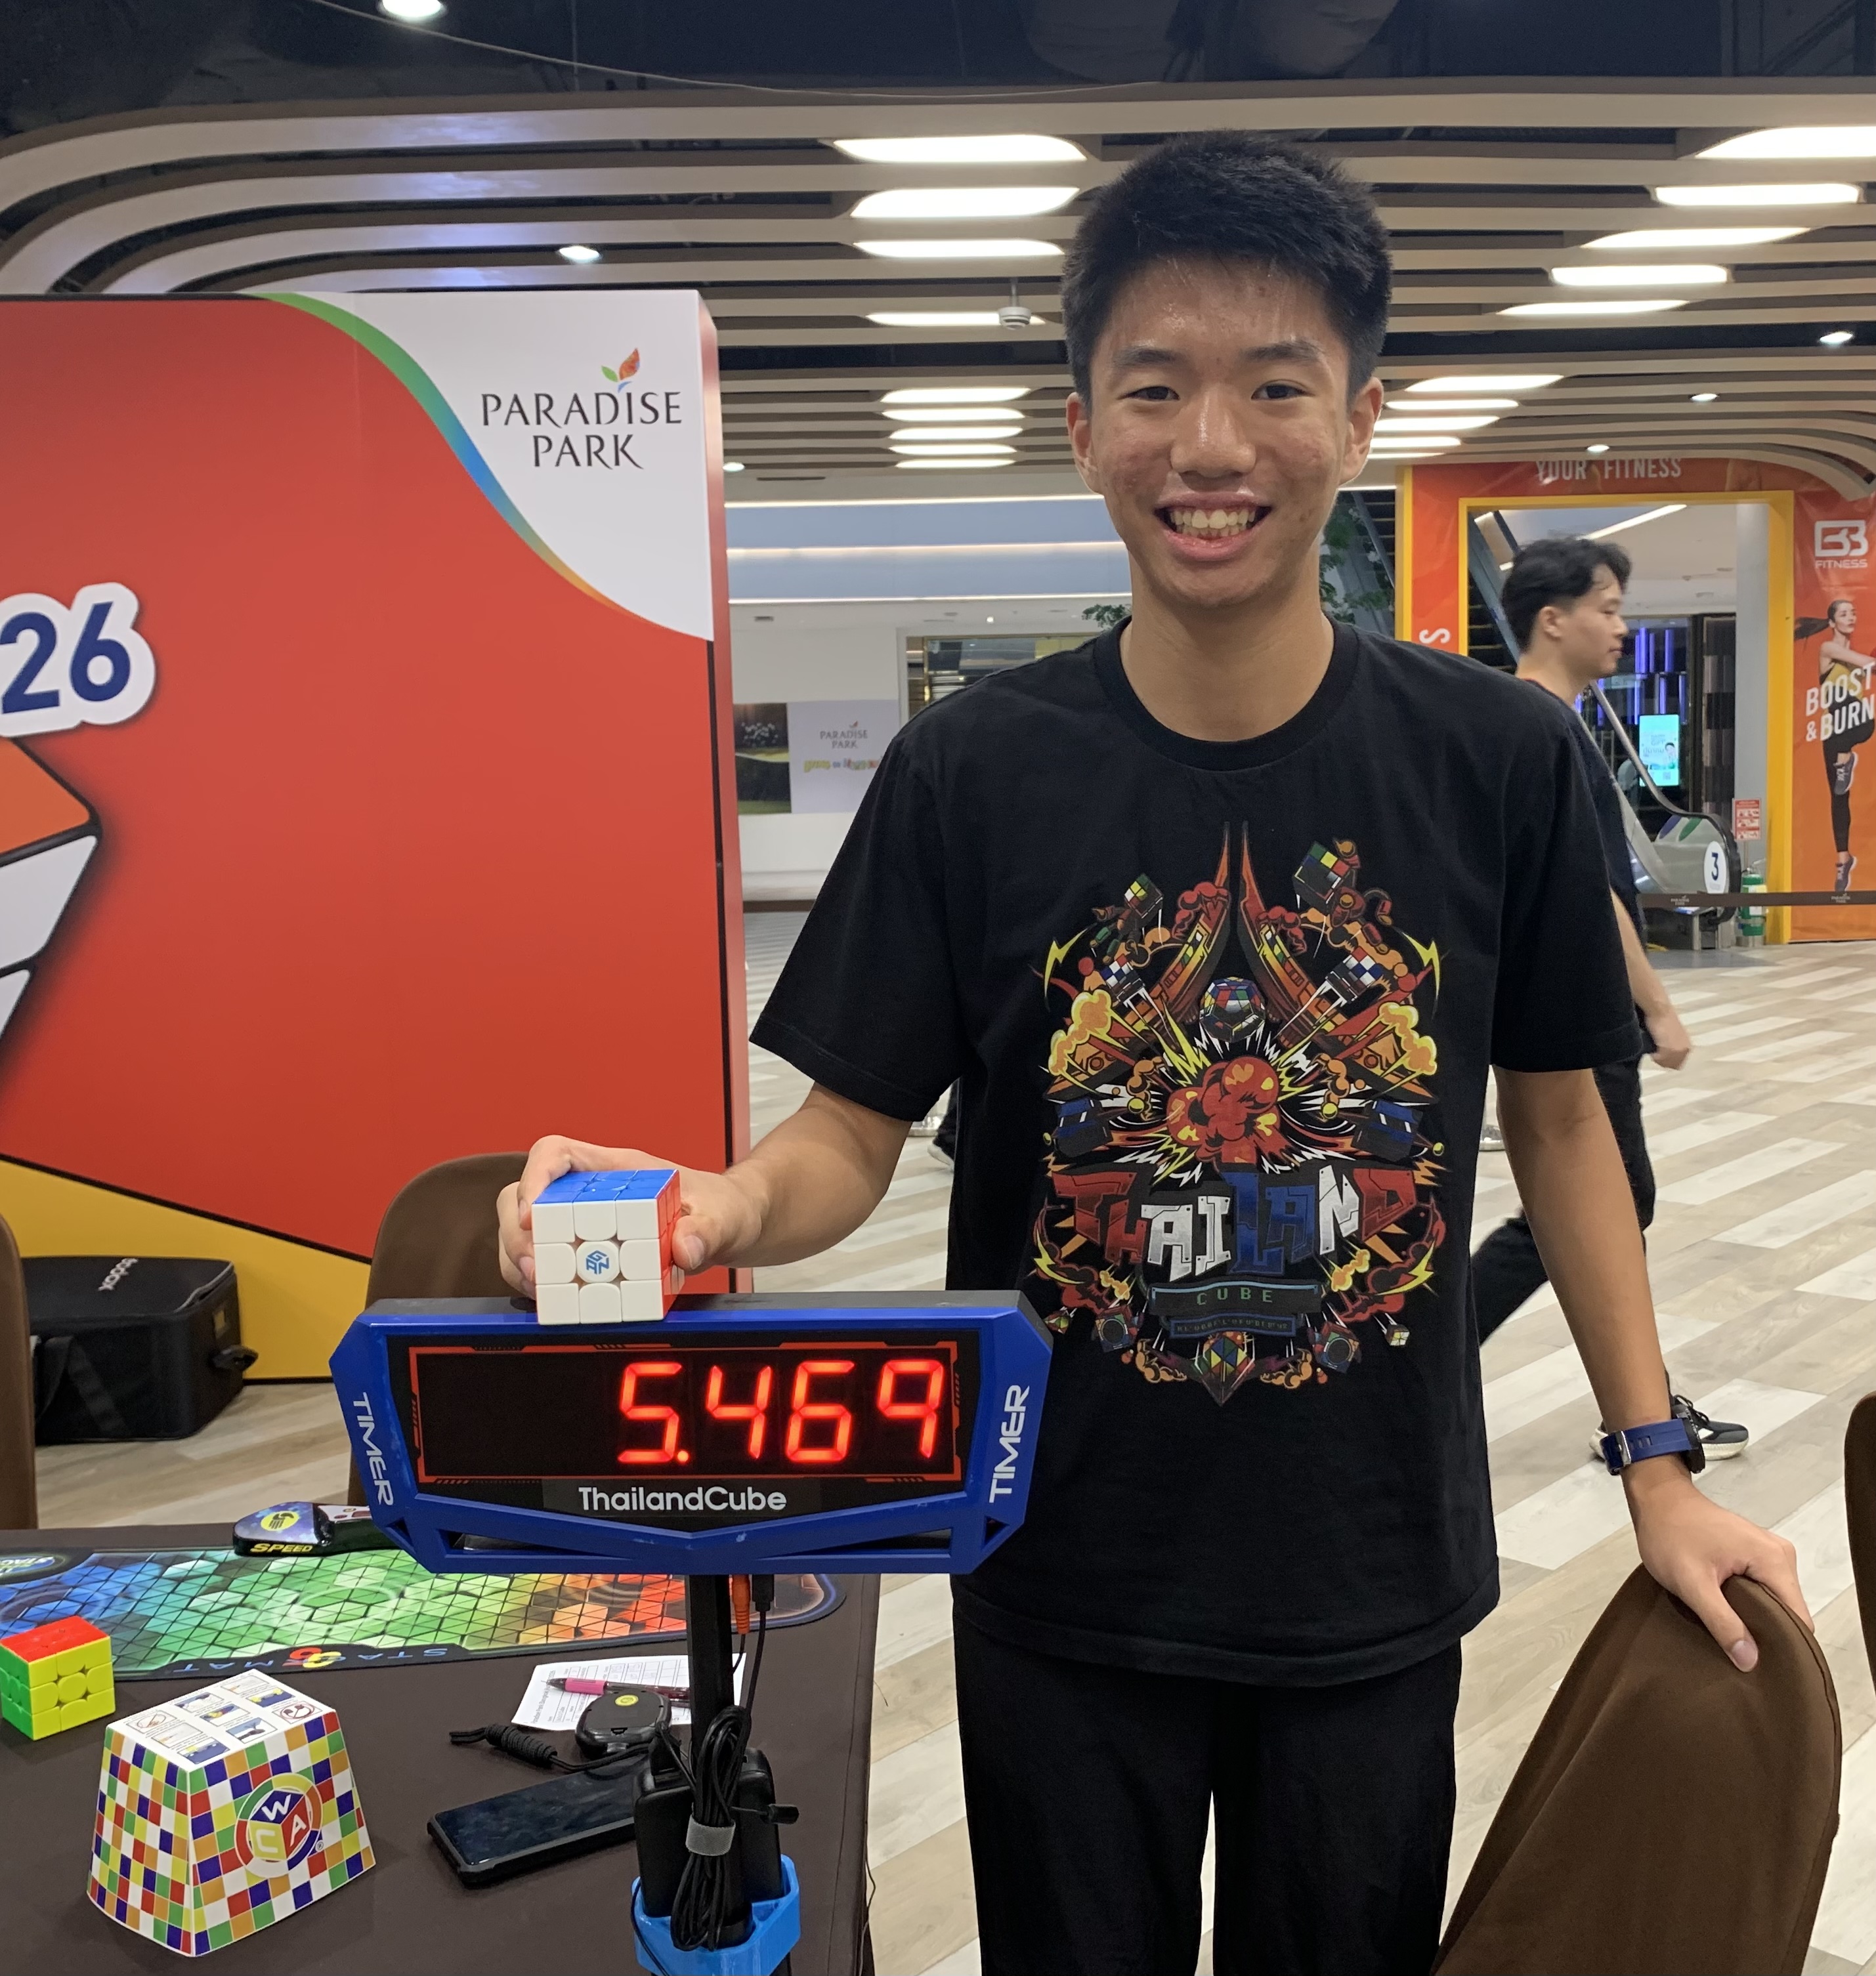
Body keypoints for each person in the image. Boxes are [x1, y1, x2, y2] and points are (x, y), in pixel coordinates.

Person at [497, 133, 1806, 1976]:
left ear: (1359, 417)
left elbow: (1566, 1126)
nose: (1211, 445)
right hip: (1059, 1568)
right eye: (1154, 387)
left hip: (1366, 1571)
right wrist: (710, 1205)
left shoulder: (1491, 759)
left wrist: (1655, 1464)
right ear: (1081, 424)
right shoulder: (971, 773)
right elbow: (848, 1136)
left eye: (1273, 386)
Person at [1473, 536, 1749, 1460]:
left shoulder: (1529, 720)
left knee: (1609, 1203)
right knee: (1602, 1202)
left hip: (1561, 1003)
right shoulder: (1541, 725)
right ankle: (1627, 1411)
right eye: (1607, 607)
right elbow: (1589, 889)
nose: (1619, 627)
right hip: (1576, 1008)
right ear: (1552, 619)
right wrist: (1656, 1003)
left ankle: (1637, 1405)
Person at [1799, 597, 1875, 894]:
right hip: (1833, 729)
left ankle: (1846, 758)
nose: (1851, 617)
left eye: (1853, 613)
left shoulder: (1854, 657)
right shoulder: (1827, 649)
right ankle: (1843, 859)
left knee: (1863, 719)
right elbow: (1866, 663)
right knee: (1839, 796)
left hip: (1856, 722)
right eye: (1844, 614)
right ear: (1832, 622)